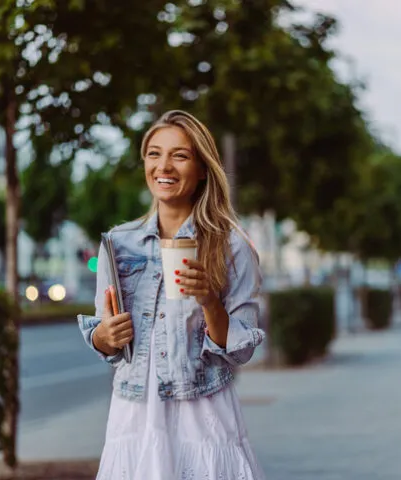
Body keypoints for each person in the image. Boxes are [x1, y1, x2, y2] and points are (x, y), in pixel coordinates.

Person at [77, 110, 266, 479]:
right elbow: (105, 335)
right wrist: (105, 337)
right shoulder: (118, 243)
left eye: (180, 155)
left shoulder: (231, 247)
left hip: (204, 412)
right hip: (135, 414)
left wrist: (210, 301)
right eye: (154, 153)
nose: (164, 165)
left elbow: (241, 348)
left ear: (201, 169)